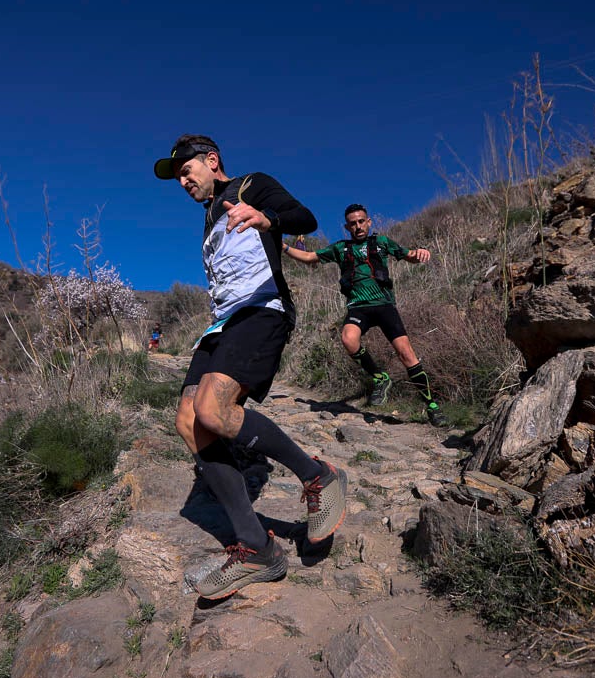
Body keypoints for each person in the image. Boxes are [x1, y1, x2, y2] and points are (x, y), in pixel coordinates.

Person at [154, 134, 347, 599]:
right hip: (221, 324)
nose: (182, 181)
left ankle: (317, 474)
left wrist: (269, 218)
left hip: (262, 312)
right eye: (177, 177)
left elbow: (306, 218)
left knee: (214, 412)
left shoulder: (249, 185)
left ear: (211, 161)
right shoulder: (207, 219)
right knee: (189, 421)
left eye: (186, 171)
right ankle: (258, 547)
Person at [283, 203, 443, 425]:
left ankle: (432, 406)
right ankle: (380, 378)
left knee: (406, 354)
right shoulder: (340, 249)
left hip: (385, 305)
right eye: (353, 223)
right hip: (358, 307)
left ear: (368, 222)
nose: (357, 226)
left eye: (361, 222)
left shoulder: (382, 243)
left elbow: (410, 255)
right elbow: (310, 257)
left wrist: (421, 252)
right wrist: (283, 247)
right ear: (347, 227)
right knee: (348, 339)